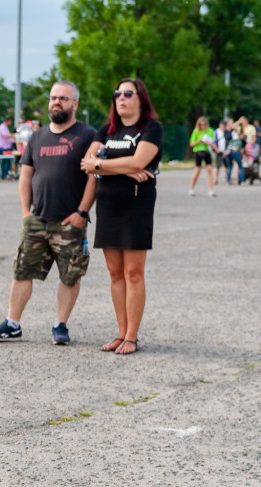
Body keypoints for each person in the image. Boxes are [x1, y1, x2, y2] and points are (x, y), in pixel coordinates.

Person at [0, 81, 97, 345]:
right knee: (22, 270)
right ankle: (12, 323)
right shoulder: (37, 136)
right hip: (37, 219)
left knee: (70, 274)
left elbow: (94, 178)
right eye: (53, 98)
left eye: (63, 99)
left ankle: (60, 325)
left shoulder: (87, 135)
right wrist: (26, 212)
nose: (56, 102)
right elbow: (26, 177)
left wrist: (82, 212)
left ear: (75, 104)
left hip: (69, 220)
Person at [79, 78, 162, 355]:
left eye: (128, 93)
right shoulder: (107, 129)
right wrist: (124, 169)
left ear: (141, 98)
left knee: (133, 273)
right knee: (115, 273)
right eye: (117, 93)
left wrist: (106, 165)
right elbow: (87, 163)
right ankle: (120, 332)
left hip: (136, 207)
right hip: (109, 207)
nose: (121, 97)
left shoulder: (151, 128)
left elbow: (140, 161)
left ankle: (132, 337)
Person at [188, 115, 217, 197]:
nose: (203, 126)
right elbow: (191, 144)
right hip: (198, 151)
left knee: (209, 170)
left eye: (204, 124)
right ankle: (191, 188)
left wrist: (208, 143)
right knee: (197, 171)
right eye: (201, 125)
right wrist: (199, 141)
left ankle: (211, 190)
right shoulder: (196, 131)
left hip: (207, 151)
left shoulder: (210, 130)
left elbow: (212, 141)